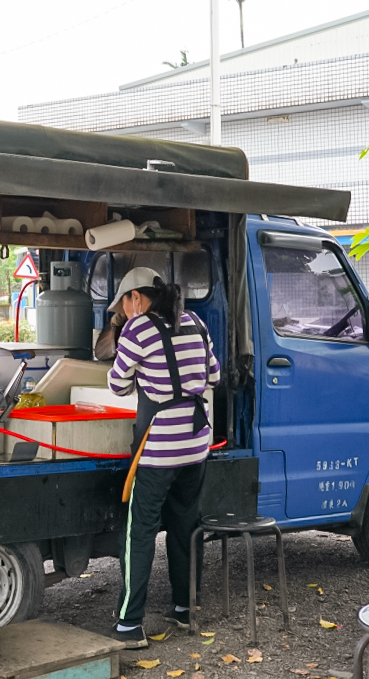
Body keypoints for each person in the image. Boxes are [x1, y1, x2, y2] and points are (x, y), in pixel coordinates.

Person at [106, 267, 220, 649]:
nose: (123, 313)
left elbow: (117, 385)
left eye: (123, 306)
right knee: (186, 525)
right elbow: (214, 376)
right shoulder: (196, 323)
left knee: (139, 533)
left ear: (135, 298)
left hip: (158, 449)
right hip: (195, 443)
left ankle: (129, 624)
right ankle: (184, 609)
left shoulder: (137, 330)